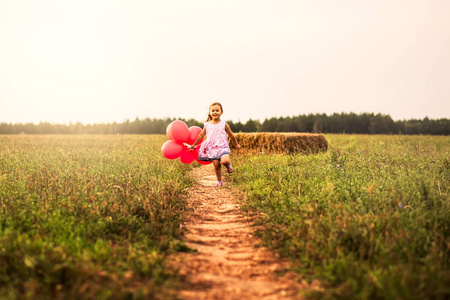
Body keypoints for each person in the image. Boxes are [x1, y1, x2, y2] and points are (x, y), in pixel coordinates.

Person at [190, 102, 241, 187]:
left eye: (217, 110)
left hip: (222, 146)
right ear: (210, 112)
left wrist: (236, 144)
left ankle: (228, 166)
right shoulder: (207, 125)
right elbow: (201, 135)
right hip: (212, 148)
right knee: (217, 165)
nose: (215, 112)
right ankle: (219, 181)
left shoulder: (224, 124)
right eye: (213, 110)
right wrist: (194, 144)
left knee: (224, 161)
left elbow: (231, 134)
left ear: (221, 112)